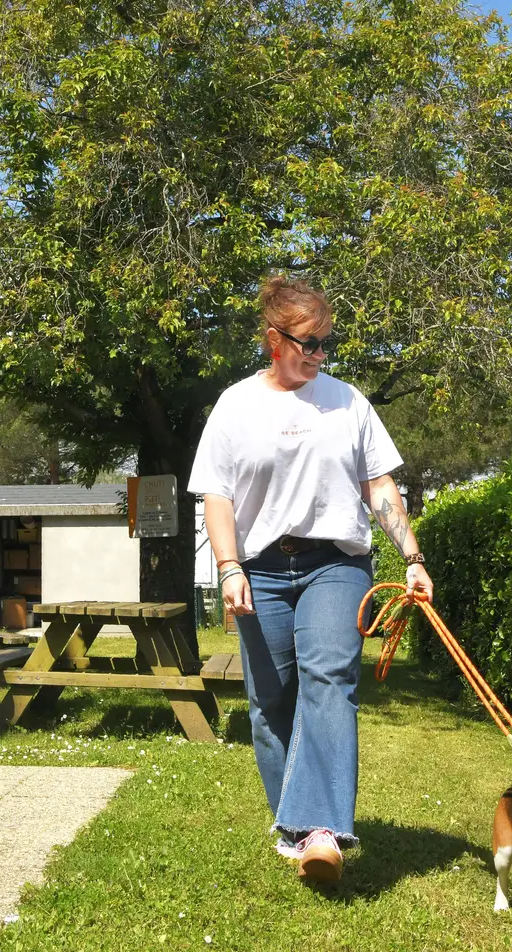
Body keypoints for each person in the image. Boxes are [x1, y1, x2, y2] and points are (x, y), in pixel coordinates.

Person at [188, 274, 433, 884]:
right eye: (309, 342)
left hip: (335, 564)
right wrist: (228, 566)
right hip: (260, 568)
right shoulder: (235, 405)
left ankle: (322, 829)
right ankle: (295, 828)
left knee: (329, 677)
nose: (320, 354)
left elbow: (379, 486)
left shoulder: (348, 402)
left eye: (327, 342)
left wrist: (413, 557)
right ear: (274, 339)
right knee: (270, 702)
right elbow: (216, 495)